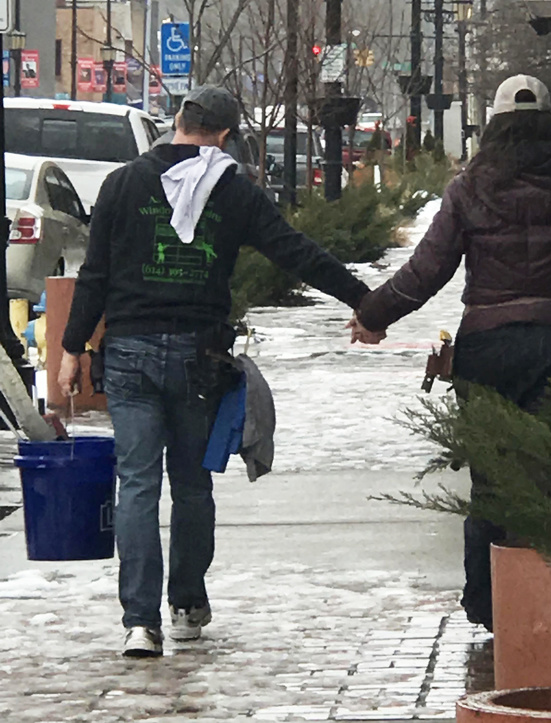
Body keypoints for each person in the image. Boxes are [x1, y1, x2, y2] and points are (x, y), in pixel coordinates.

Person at [58, 85, 383, 658]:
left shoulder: (123, 183)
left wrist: (72, 346)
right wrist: (366, 302)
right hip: (196, 357)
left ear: (179, 120)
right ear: (227, 133)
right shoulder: (234, 191)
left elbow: (95, 274)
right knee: (190, 484)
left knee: (136, 483)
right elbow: (296, 251)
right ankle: (185, 605)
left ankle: (139, 621)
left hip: (128, 353)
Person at [348, 74, 551, 627]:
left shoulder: (471, 185)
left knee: (489, 476)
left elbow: (427, 269)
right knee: (549, 475)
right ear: (550, 122)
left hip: (488, 346)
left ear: (496, 125)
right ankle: (538, 602)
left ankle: (485, 604)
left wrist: (372, 315)